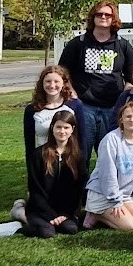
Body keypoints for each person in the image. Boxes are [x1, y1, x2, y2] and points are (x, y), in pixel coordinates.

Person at [58, 0, 133, 164]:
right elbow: (62, 73)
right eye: (99, 14)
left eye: (107, 14)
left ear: (113, 18)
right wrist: (72, 95)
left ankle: (106, 189)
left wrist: (123, 98)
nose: (103, 17)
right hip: (84, 107)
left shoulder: (122, 45)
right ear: (92, 17)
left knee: (109, 157)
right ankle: (79, 189)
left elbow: (132, 76)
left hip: (112, 109)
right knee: (80, 155)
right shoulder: (78, 44)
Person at [0, 110, 87, 239]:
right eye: (58, 127)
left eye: (66, 127)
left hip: (65, 210)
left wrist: (65, 214)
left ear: (72, 129)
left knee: (71, 229)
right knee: (47, 232)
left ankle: (28, 217)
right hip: (41, 208)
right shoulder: (39, 155)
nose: (62, 131)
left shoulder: (78, 156)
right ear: (52, 128)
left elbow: (78, 189)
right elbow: (35, 189)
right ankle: (18, 224)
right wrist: (51, 216)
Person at [20, 66, 84, 220]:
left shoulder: (75, 105)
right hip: (43, 160)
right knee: (42, 202)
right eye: (47, 81)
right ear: (42, 84)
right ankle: (20, 210)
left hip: (67, 158)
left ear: (64, 84)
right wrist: (32, 175)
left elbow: (82, 139)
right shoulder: (32, 109)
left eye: (56, 81)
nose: (52, 85)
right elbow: (29, 145)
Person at [82, 102, 133, 231]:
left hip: (125, 194)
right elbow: (107, 174)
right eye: (128, 116)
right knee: (130, 226)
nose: (132, 120)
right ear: (121, 119)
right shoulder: (111, 140)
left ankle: (113, 212)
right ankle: (95, 213)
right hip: (103, 194)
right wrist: (115, 201)